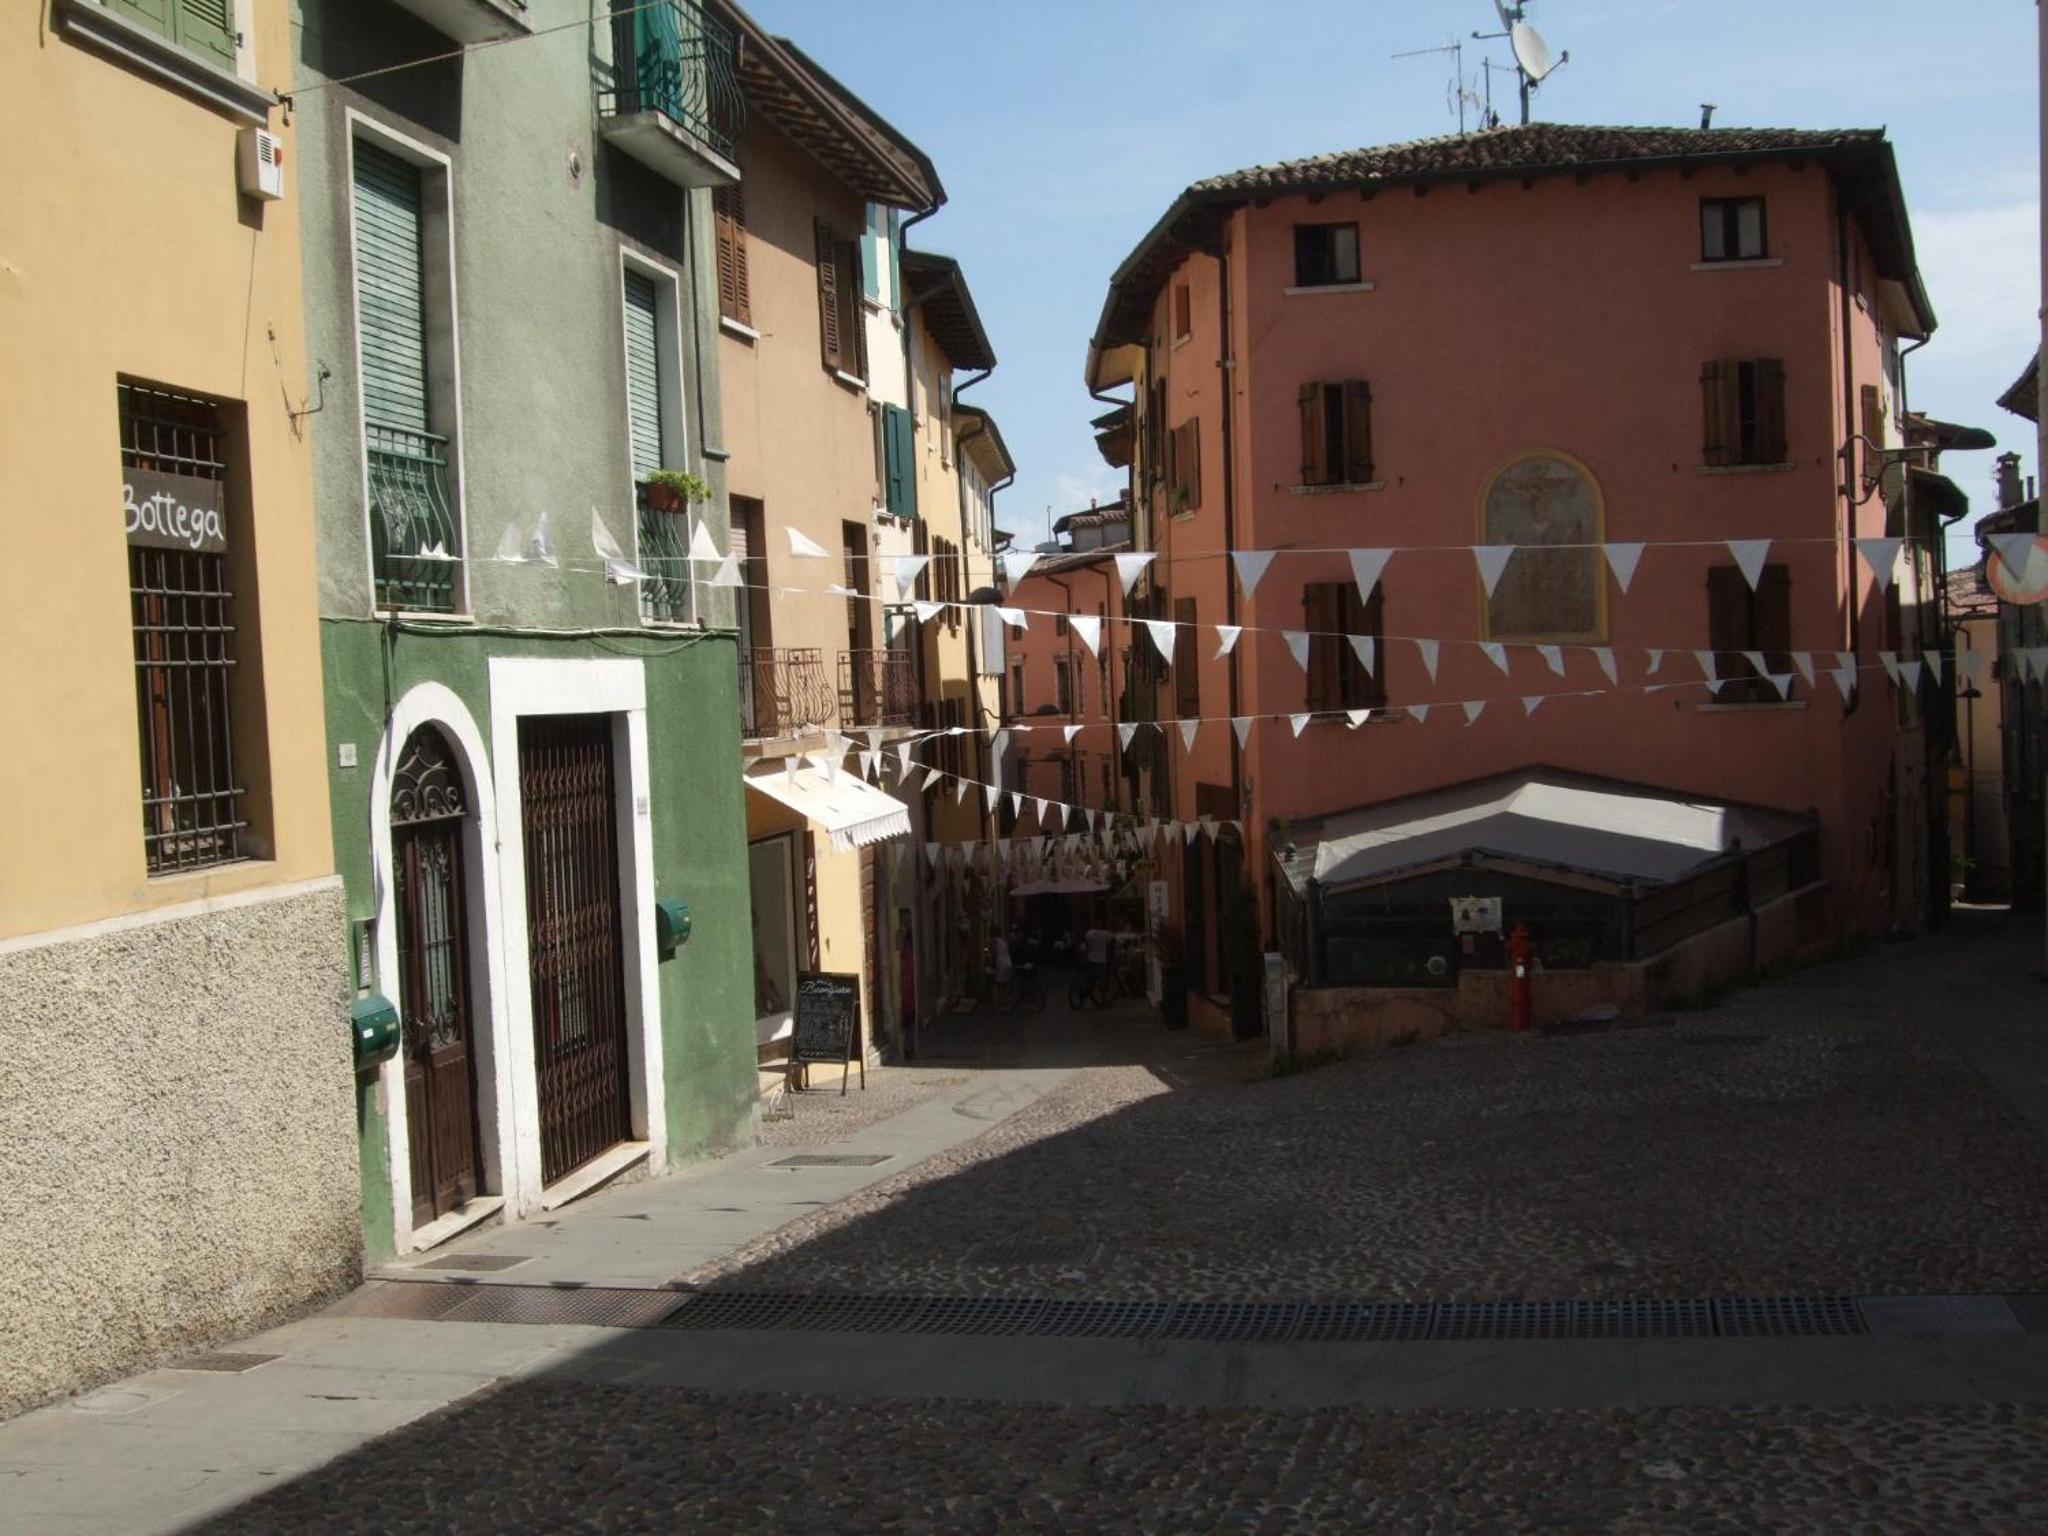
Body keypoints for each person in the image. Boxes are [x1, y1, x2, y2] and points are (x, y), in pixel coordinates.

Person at [1083, 923, 1112, 995]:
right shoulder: (1106, 934)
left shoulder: (1089, 933)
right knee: (1103, 980)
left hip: (1091, 958)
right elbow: (1109, 946)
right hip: (1102, 960)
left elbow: (1086, 944)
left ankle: (1087, 990)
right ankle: (1103, 997)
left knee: (1091, 977)